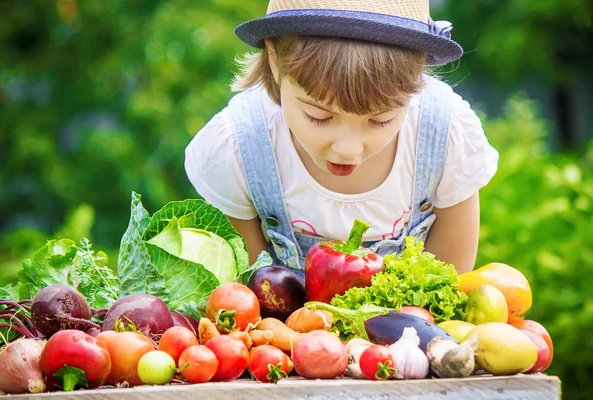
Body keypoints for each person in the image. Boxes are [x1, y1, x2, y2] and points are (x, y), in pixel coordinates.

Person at [184, 0, 499, 276]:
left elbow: (448, 289)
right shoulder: (240, 146)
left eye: (380, 119)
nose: (348, 150)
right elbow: (245, 295)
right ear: (275, 59)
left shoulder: (443, 137)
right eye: (318, 116)